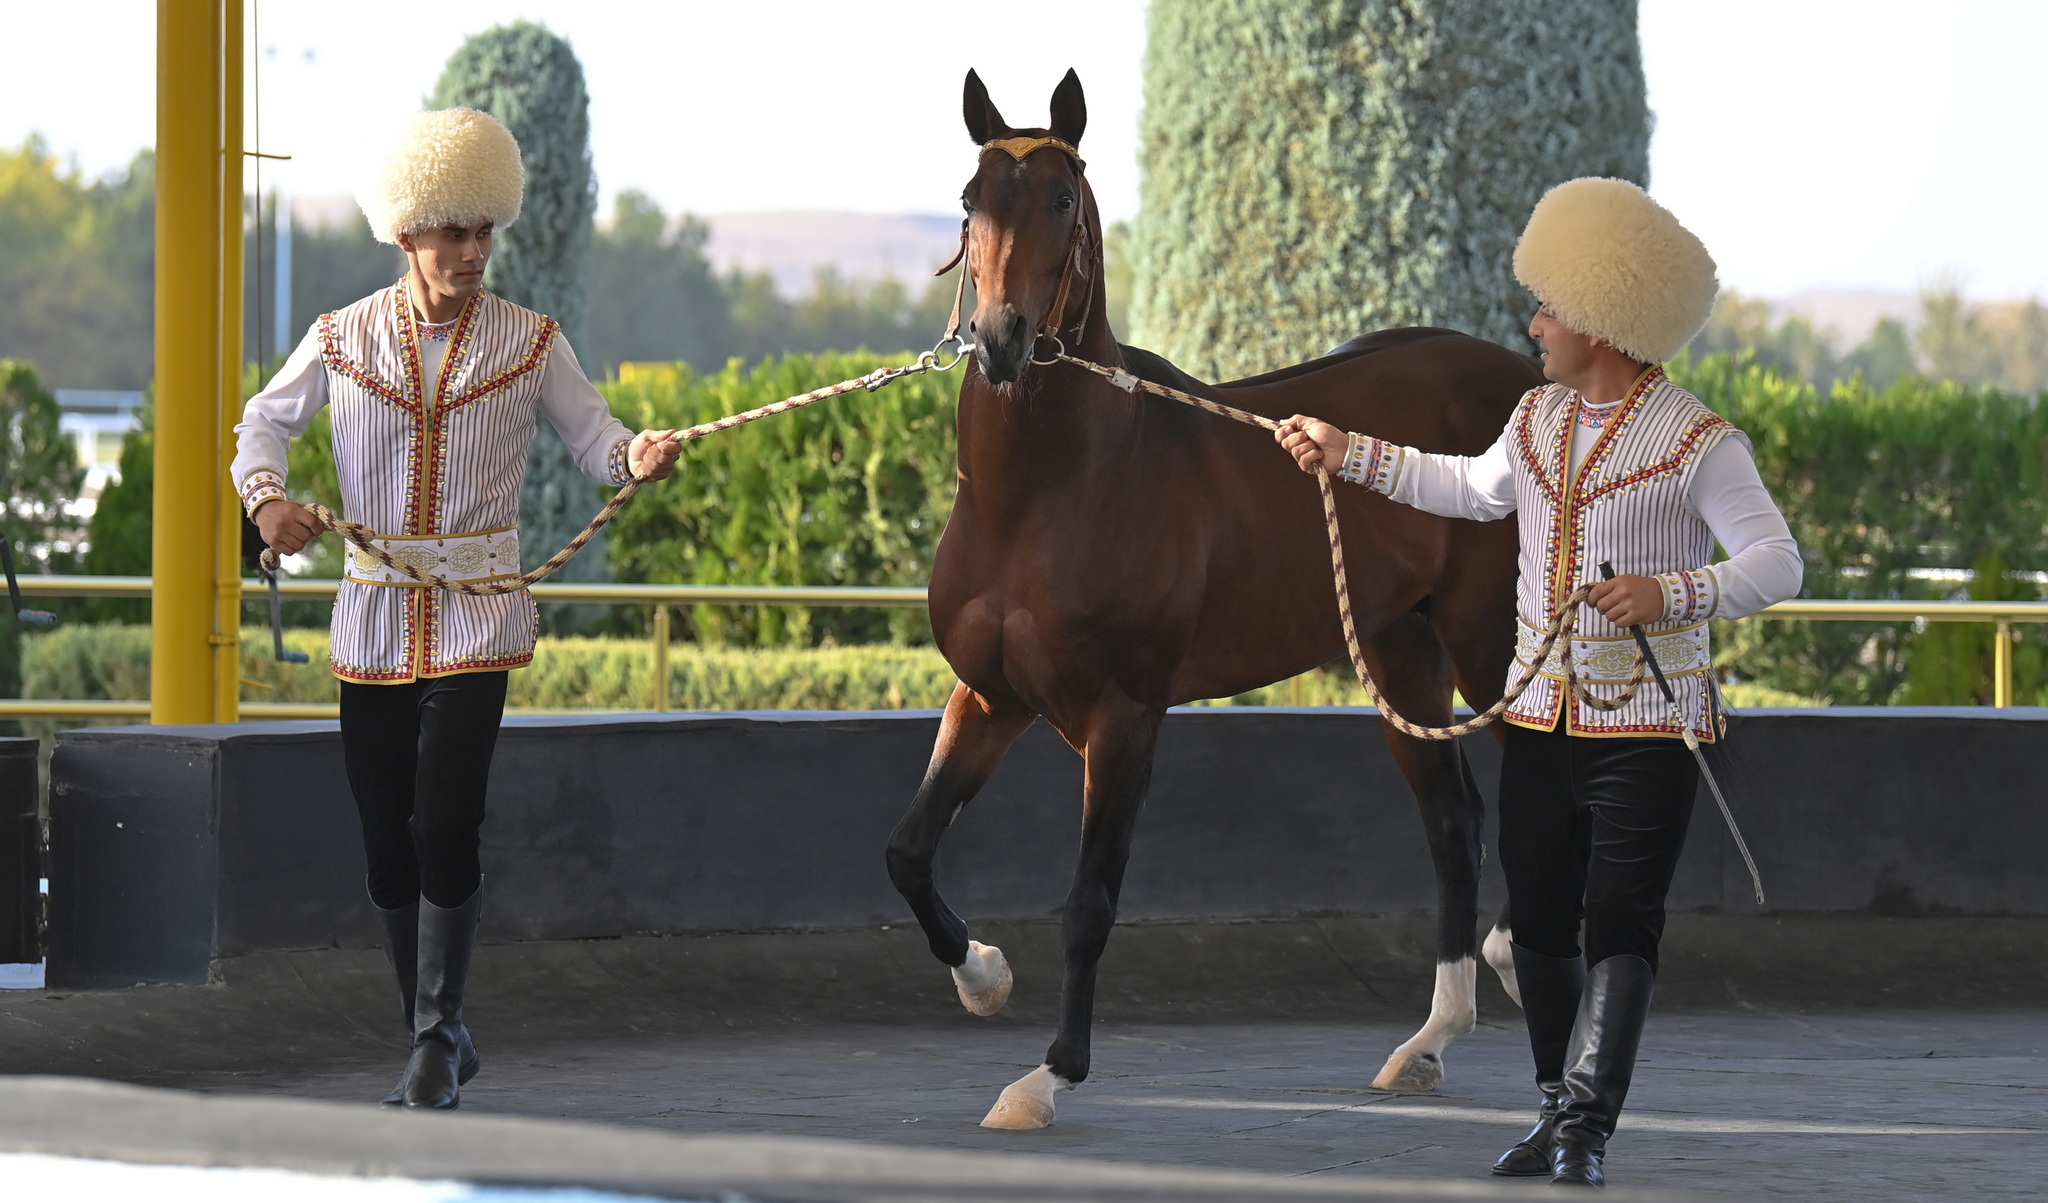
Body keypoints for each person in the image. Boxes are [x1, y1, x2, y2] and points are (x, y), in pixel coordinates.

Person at [1276, 177, 1802, 1188]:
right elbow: (1464, 491)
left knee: (1619, 921)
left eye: (1548, 308)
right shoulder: (1533, 422)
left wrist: (1671, 590)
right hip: (1537, 715)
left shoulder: (1701, 444)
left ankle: (1586, 1131)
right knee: (1541, 916)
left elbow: (1776, 565)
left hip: (1648, 725)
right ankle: (1558, 1110)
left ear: (1601, 324)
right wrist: (1349, 454)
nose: (1533, 325)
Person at [231, 107, 682, 1111]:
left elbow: (595, 438)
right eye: (453, 234)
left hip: (478, 618)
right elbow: (261, 421)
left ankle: (436, 1032)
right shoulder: (339, 339)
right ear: (405, 235)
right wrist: (266, 501)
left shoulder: (531, 342)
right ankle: (434, 1031)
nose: (473, 253)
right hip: (372, 617)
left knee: (444, 822)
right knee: (384, 840)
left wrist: (635, 457)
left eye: (485, 232)